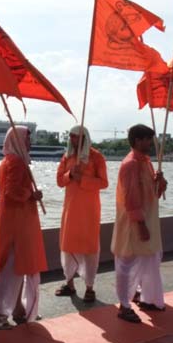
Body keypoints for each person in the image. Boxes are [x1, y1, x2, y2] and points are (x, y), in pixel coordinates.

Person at [0, 126, 48, 330]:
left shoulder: (10, 160)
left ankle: (17, 309)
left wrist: (30, 194)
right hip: (17, 224)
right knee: (12, 269)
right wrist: (32, 195)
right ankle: (1, 315)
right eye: (27, 139)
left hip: (14, 220)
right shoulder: (16, 163)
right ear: (17, 141)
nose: (30, 143)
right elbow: (12, 192)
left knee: (17, 267)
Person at [111, 124, 167, 323]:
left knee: (150, 259)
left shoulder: (146, 162)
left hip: (148, 220)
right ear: (137, 140)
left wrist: (160, 183)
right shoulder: (130, 164)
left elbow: (153, 195)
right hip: (133, 223)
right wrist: (140, 224)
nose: (151, 143)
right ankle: (124, 306)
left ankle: (147, 298)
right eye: (147, 139)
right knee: (126, 264)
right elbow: (131, 198)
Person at [55, 125, 108, 302]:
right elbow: (59, 181)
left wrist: (82, 179)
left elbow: (103, 182)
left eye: (75, 136)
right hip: (70, 210)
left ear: (84, 138)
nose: (72, 139)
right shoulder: (67, 157)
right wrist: (70, 174)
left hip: (89, 211)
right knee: (67, 246)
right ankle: (69, 284)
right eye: (70, 136)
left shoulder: (96, 157)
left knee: (90, 248)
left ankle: (89, 287)